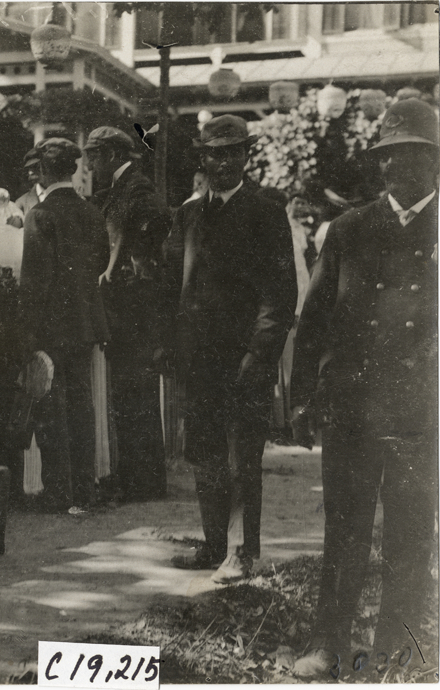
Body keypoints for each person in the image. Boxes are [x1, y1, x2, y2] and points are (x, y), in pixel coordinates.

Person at [291, 98, 439, 678]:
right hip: (351, 405)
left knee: (409, 533)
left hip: (419, 411)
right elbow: (315, 318)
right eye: (389, 157)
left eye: (411, 156)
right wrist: (303, 398)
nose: (398, 168)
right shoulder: (349, 229)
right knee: (344, 530)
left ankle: (396, 650)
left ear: (433, 161)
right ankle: (327, 643)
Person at [159, 115, 296, 584]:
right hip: (198, 360)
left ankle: (241, 551)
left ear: (246, 156)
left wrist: (258, 358)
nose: (223, 162)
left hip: (243, 362)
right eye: (215, 153)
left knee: (242, 460)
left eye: (233, 152)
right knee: (205, 454)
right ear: (203, 159)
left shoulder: (265, 211)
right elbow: (171, 283)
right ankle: (214, 544)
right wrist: (170, 346)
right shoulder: (189, 214)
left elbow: (279, 297)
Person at [18, 137, 110, 513]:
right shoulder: (91, 212)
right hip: (86, 323)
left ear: (41, 171)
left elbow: (33, 282)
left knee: (52, 410)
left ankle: (59, 492)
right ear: (74, 170)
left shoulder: (39, 215)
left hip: (51, 328)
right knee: (82, 408)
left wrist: (26, 334)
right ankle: (85, 491)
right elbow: (102, 260)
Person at [84, 125, 171, 502]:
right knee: (130, 391)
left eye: (93, 155)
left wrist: (129, 262)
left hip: (134, 304)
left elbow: (155, 222)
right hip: (127, 301)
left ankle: (143, 482)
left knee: (136, 391)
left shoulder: (135, 186)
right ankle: (139, 478)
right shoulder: (122, 188)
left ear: (112, 156)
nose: (89, 163)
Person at [15, 148, 44, 216]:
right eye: (28, 168)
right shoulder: (21, 202)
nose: (30, 172)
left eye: (35, 167)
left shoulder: (61, 196)